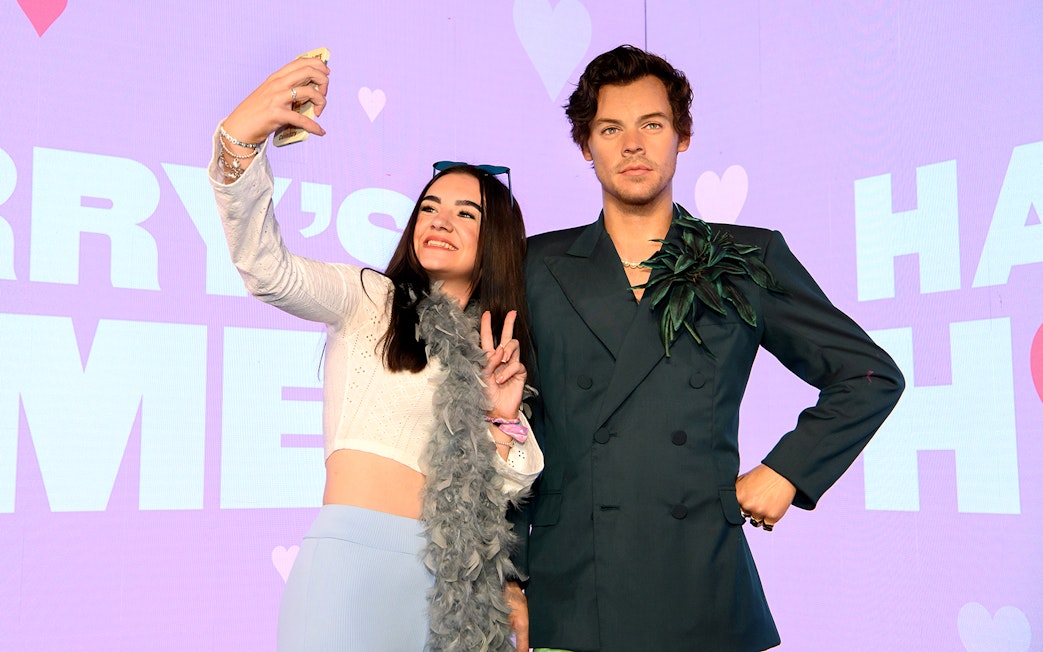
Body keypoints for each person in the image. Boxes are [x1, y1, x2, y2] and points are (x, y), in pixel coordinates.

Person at [514, 45, 906, 651]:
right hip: (569, 592)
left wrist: (788, 470)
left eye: (653, 124)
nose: (633, 145)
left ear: (683, 137)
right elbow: (499, 422)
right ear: (586, 146)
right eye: (610, 128)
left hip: (701, 583)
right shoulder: (535, 265)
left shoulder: (745, 258)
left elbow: (869, 375)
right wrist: (508, 578)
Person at [209, 55, 543, 651]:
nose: (439, 221)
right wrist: (241, 139)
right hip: (350, 565)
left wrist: (501, 416)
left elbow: (501, 496)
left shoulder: (494, 351)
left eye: (466, 213)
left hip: (451, 586)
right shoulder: (371, 298)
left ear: (495, 239)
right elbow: (268, 270)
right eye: (429, 208)